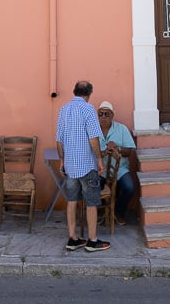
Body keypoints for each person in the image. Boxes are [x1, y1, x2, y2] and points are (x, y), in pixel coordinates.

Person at [55, 80, 109, 252]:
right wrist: (99, 159)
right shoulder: (88, 109)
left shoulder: (64, 109)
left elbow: (59, 140)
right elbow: (93, 138)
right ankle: (92, 241)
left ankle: (73, 238)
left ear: (74, 92)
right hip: (86, 165)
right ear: (89, 93)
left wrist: (62, 160)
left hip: (70, 166)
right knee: (91, 203)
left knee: (72, 201)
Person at [96, 101, 137, 226]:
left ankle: (118, 212)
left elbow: (129, 151)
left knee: (129, 188)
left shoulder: (122, 129)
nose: (103, 117)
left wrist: (117, 148)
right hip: (99, 169)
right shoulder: (93, 130)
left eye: (106, 114)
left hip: (120, 169)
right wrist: (102, 153)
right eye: (100, 114)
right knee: (91, 187)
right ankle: (100, 213)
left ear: (112, 115)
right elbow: (88, 152)